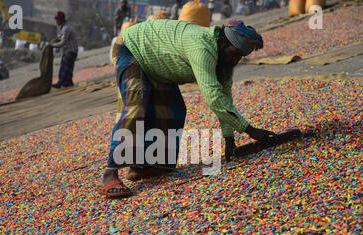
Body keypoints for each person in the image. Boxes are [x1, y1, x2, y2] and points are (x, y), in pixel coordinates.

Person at [99, 19, 275, 198]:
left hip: (157, 61)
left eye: (240, 57)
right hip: (133, 48)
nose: (236, 61)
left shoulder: (223, 61)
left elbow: (224, 98)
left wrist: (229, 139)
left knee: (173, 110)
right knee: (136, 107)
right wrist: (249, 130)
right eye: (234, 54)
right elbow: (214, 99)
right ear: (222, 43)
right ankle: (110, 175)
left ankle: (144, 166)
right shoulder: (201, 48)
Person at [51, 11, 78, 88]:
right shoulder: (63, 28)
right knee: (68, 68)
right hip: (69, 51)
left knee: (64, 66)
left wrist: (52, 46)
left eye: (57, 19)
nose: (56, 21)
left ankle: (60, 83)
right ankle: (68, 83)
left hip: (71, 51)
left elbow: (63, 42)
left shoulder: (66, 28)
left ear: (61, 20)